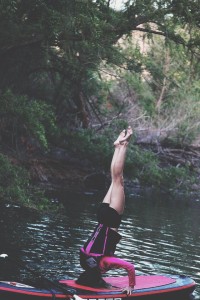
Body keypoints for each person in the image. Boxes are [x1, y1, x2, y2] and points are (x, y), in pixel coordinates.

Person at [76, 126, 135, 295]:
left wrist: (130, 286)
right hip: (101, 215)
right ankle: (118, 146)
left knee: (118, 180)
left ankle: (123, 145)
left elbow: (130, 267)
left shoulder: (104, 263)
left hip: (110, 219)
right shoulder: (84, 260)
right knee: (114, 180)